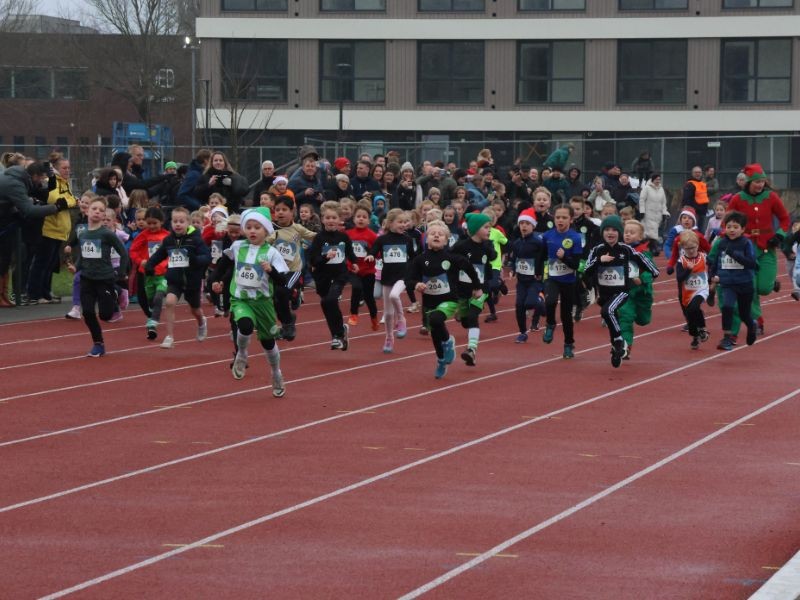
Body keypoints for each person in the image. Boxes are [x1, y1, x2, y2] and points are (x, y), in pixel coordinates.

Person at [209, 208, 288, 395]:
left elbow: (282, 282)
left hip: (263, 303)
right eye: (249, 227)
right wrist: (214, 281)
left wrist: (270, 271)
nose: (252, 231)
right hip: (240, 299)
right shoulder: (237, 247)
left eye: (257, 227)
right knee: (244, 325)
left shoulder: (272, 253)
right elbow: (223, 264)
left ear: (266, 230)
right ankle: (242, 353)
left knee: (268, 343)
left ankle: (276, 373)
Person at [408, 220, 482, 379]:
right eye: (433, 233)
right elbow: (410, 279)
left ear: (446, 240)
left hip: (449, 300)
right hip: (429, 302)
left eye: (440, 234)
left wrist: (476, 286)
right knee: (435, 333)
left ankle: (448, 341)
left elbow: (469, 267)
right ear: (426, 238)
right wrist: (417, 284)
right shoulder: (420, 260)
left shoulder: (452, 258)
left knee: (435, 319)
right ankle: (441, 360)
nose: (436, 235)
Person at [583, 215, 659, 367]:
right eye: (607, 230)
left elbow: (654, 271)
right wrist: (599, 261)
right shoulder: (597, 250)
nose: (610, 233)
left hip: (623, 292)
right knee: (612, 315)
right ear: (602, 232)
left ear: (619, 232)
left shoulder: (627, 250)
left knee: (609, 312)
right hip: (605, 294)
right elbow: (586, 272)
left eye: (614, 230)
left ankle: (618, 342)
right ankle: (618, 345)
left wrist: (641, 279)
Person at [727, 163, 790, 336]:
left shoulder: (771, 197)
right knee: (750, 287)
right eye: (757, 182)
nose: (760, 185)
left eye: (762, 181)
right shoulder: (738, 198)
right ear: (748, 182)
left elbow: (784, 219)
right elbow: (727, 221)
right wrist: (735, 235)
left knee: (763, 288)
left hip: (767, 247)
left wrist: (779, 235)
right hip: (745, 249)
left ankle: (772, 284)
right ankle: (757, 318)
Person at [68, 197, 129, 357]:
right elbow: (83, 254)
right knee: (87, 312)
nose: (97, 212)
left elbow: (123, 253)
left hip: (105, 279)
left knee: (105, 315)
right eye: (94, 208)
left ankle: (116, 292)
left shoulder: (106, 234)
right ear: (87, 211)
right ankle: (98, 344)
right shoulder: (83, 234)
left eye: (101, 210)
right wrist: (76, 267)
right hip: (87, 278)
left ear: (104, 216)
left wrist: (121, 274)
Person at [144, 206, 210, 349]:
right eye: (175, 221)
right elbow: (159, 254)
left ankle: (201, 322)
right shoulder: (169, 240)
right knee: (169, 302)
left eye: (181, 221)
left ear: (188, 223)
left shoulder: (195, 240)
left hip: (192, 280)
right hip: (175, 279)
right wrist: (150, 265)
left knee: (195, 310)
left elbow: (206, 257)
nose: (178, 224)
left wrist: (195, 259)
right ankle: (169, 336)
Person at [0, 161, 62, 307]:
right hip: (3, 224)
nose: (42, 181)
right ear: (34, 175)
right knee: (3, 259)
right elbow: (30, 211)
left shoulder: (17, 178)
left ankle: (3, 294)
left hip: (5, 221)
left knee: (5, 259)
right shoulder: (15, 183)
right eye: (41, 178)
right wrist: (56, 207)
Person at [307, 201, 359, 350]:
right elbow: (313, 260)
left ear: (339, 220)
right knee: (326, 303)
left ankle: (337, 336)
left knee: (330, 300)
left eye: (334, 218)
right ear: (322, 219)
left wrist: (354, 263)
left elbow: (350, 253)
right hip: (322, 276)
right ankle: (340, 332)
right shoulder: (318, 238)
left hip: (339, 275)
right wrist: (325, 257)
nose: (330, 221)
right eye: (327, 218)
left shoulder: (343, 237)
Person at [27, 153, 78, 304]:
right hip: (49, 228)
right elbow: (56, 199)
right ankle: (35, 294)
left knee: (50, 264)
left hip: (60, 230)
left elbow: (70, 199)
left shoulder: (65, 183)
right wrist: (71, 202)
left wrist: (71, 201)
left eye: (69, 167)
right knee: (41, 263)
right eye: (64, 168)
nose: (67, 170)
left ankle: (46, 291)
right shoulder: (52, 181)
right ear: (55, 169)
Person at [707, 210, 758, 351]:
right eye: (729, 227)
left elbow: (751, 263)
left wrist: (734, 254)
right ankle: (727, 338)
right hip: (728, 283)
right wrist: (713, 275)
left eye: (735, 227)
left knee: (744, 313)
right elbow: (715, 261)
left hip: (745, 283)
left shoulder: (746, 243)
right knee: (727, 307)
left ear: (742, 229)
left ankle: (751, 325)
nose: (732, 230)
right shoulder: (721, 243)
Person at [366, 208, 415, 352]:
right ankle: (389, 338)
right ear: (390, 223)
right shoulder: (382, 239)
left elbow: (413, 258)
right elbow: (374, 250)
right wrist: (370, 256)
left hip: (402, 276)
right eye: (399, 222)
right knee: (387, 314)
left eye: (405, 222)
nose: (403, 225)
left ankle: (401, 319)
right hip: (387, 277)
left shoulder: (407, 239)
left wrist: (413, 272)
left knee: (395, 295)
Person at [451, 213, 495, 366]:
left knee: (472, 316)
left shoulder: (487, 245)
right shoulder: (461, 246)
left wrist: (490, 248)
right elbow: (449, 257)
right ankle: (460, 313)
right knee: (465, 321)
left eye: (490, 227)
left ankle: (471, 350)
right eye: (486, 227)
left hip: (481, 290)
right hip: (463, 289)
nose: (489, 230)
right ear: (475, 229)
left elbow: (493, 256)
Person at [271, 195, 317, 340]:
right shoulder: (270, 228)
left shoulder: (297, 228)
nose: (280, 213)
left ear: (292, 212)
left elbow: (314, 236)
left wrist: (331, 235)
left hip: (293, 270)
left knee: (282, 292)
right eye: (277, 210)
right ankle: (288, 319)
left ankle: (288, 323)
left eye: (284, 209)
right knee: (276, 300)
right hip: (274, 271)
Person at [541, 204, 583, 358]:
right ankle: (550, 323)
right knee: (550, 301)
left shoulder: (575, 238)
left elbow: (576, 265)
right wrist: (538, 273)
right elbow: (542, 256)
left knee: (566, 316)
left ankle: (568, 344)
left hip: (569, 281)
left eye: (564, 218)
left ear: (571, 220)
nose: (560, 220)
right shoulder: (547, 236)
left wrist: (564, 257)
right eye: (558, 217)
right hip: (552, 277)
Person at [128, 207, 170, 340]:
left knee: (158, 296)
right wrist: (141, 261)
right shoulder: (143, 236)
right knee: (144, 300)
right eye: (149, 223)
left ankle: (153, 323)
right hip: (146, 274)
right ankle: (151, 315)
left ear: (161, 222)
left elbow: (172, 252)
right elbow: (133, 250)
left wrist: (164, 264)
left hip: (162, 274)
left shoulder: (167, 236)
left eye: (154, 223)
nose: (151, 226)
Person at [617, 220, 655, 359]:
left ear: (639, 237)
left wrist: (642, 279)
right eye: (626, 232)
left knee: (643, 320)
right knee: (625, 317)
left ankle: (642, 316)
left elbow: (650, 271)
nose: (628, 235)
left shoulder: (644, 253)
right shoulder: (619, 250)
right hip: (626, 292)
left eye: (632, 233)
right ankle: (625, 346)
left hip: (642, 293)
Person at [508, 208, 546, 343]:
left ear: (533, 226)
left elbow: (543, 258)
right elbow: (514, 259)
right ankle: (523, 332)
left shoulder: (538, 241)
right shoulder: (517, 243)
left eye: (527, 224)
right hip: (522, 280)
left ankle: (541, 304)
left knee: (530, 303)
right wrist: (513, 269)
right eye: (521, 223)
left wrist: (540, 272)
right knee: (519, 305)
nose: (524, 226)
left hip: (534, 280)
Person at [674, 230, 711, 350]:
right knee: (689, 314)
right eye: (688, 248)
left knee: (694, 308)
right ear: (683, 247)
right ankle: (695, 335)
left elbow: (714, 265)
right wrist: (688, 270)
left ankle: (703, 329)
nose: (691, 250)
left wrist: (714, 277)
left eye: (693, 247)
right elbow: (679, 278)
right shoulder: (682, 261)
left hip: (701, 289)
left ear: (698, 245)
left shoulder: (703, 257)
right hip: (687, 292)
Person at [346, 202, 379, 330]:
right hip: (353, 269)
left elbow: (377, 252)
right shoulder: (348, 234)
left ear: (368, 220)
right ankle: (354, 314)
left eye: (364, 217)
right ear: (354, 219)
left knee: (369, 297)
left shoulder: (372, 235)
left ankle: (374, 318)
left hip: (368, 271)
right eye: (358, 216)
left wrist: (372, 254)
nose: (361, 219)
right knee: (356, 287)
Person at [638, 173, 669, 255]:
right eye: (656, 179)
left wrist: (664, 212)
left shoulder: (661, 189)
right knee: (649, 231)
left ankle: (650, 247)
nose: (658, 181)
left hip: (657, 214)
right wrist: (642, 211)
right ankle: (653, 247)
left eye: (659, 179)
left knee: (653, 231)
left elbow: (663, 203)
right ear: (652, 179)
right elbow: (642, 200)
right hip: (648, 213)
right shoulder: (646, 188)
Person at [681, 166, 709, 233]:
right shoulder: (690, 184)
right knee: (694, 230)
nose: (698, 174)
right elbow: (686, 199)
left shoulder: (703, 184)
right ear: (692, 173)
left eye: (699, 172)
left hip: (703, 211)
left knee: (701, 230)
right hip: (694, 212)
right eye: (696, 172)